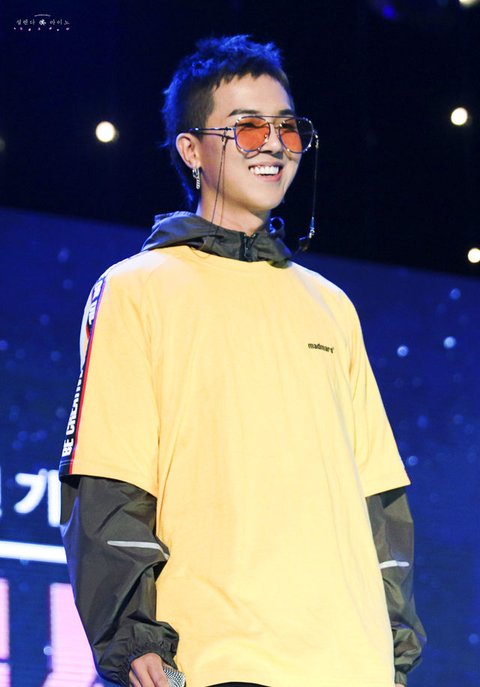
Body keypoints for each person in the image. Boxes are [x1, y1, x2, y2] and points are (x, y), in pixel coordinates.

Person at [59, 35, 426, 687]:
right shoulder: (137, 288)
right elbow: (109, 476)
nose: (274, 145)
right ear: (191, 149)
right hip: (217, 657)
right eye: (248, 127)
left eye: (288, 127)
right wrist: (131, 635)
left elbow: (378, 494)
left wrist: (393, 649)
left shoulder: (330, 305)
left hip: (352, 663)